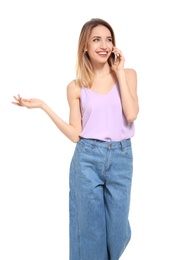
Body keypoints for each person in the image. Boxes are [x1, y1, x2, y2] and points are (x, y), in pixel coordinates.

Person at [12, 18, 139, 260]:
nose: (104, 45)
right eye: (96, 39)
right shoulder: (76, 87)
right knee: (89, 235)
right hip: (87, 159)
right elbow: (75, 134)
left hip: (122, 158)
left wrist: (119, 71)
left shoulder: (128, 75)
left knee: (118, 232)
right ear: (85, 46)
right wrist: (43, 106)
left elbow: (131, 114)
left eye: (109, 39)